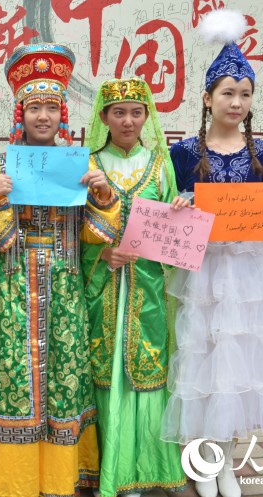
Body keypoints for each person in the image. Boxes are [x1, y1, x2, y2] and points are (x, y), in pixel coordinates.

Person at [161, 10, 263, 497]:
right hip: (205, 275)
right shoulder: (184, 153)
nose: (237, 102)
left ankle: (225, 461)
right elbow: (173, 215)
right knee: (203, 362)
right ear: (208, 98)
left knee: (239, 365)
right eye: (227, 93)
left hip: (248, 276)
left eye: (245, 94)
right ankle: (204, 463)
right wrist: (179, 208)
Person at [0, 43, 120, 497]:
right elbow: (1, 235)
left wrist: (102, 194)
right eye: (35, 107)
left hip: (64, 283)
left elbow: (97, 234)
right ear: (20, 112)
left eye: (52, 108)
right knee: (13, 374)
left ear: (63, 114)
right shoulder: (1, 164)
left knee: (65, 373)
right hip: (15, 282)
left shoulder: (82, 164)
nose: (44, 117)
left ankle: (60, 478)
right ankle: (13, 481)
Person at [82, 78, 188, 497]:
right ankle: (113, 471)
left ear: (147, 117)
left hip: (147, 289)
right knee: (105, 371)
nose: (128, 121)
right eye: (119, 112)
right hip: (103, 287)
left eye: (136, 112)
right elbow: (71, 232)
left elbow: (178, 240)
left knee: (148, 368)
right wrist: (102, 254)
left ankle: (153, 466)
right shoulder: (89, 164)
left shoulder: (160, 165)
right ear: (104, 117)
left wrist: (181, 210)